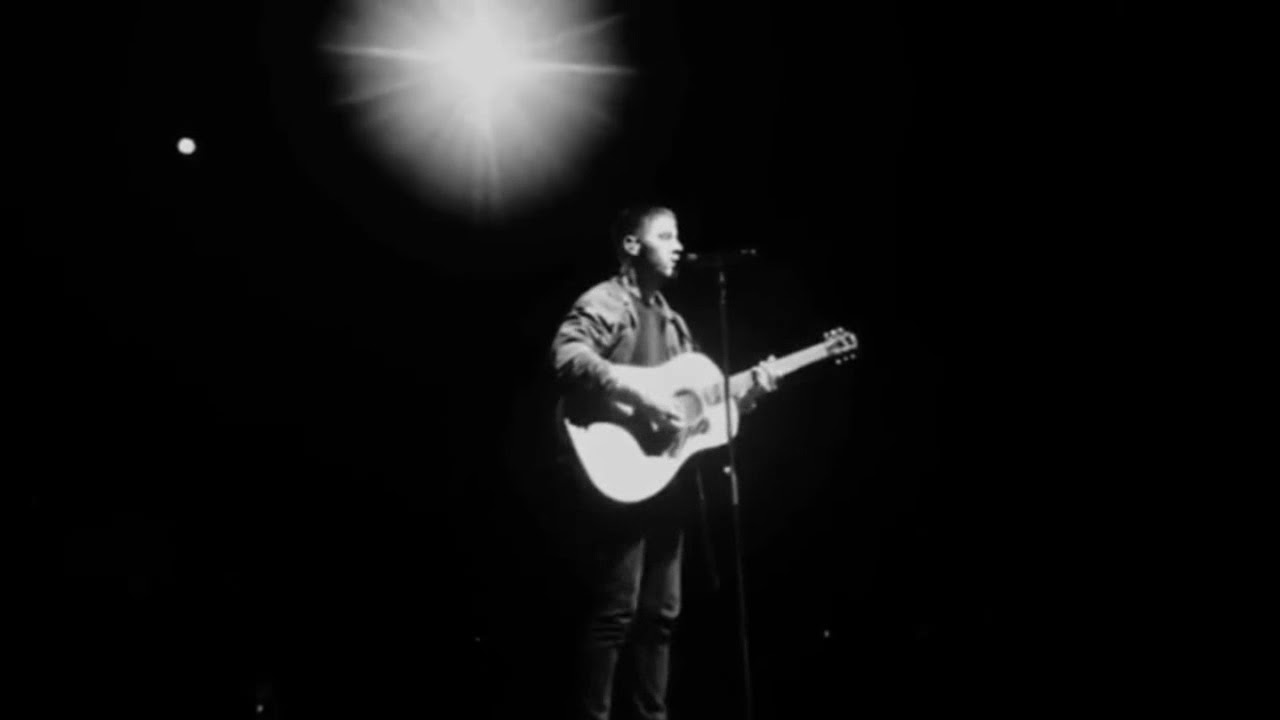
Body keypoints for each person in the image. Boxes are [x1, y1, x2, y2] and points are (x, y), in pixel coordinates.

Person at [549, 204, 777, 720]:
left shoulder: (674, 323)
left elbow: (698, 411)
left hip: (665, 480)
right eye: (666, 236)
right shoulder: (605, 301)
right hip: (617, 470)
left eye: (679, 236)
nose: (679, 246)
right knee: (616, 611)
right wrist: (641, 396)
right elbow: (567, 356)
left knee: (661, 616)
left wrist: (747, 395)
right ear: (632, 245)